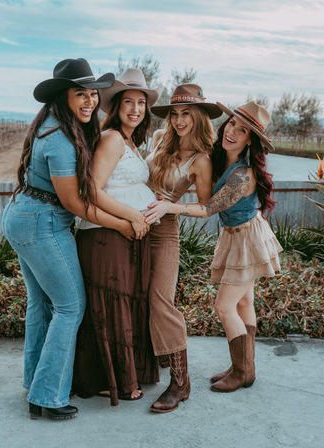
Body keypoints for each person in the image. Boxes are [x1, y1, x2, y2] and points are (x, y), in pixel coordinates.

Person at [0, 58, 136, 420]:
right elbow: (75, 203)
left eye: (93, 93)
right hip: (42, 224)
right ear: (64, 96)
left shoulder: (51, 123)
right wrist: (122, 223)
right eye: (81, 94)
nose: (90, 101)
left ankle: (36, 382)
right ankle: (47, 396)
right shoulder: (60, 139)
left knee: (41, 304)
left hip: (22, 216)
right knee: (70, 307)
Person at [145, 101, 283, 393]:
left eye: (242, 130)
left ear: (250, 140)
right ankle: (244, 366)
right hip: (237, 235)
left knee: (224, 306)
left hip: (247, 238)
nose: (232, 131)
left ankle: (243, 372)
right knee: (244, 303)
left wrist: (171, 206)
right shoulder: (222, 159)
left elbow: (208, 208)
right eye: (232, 123)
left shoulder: (243, 175)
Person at [72, 69, 161, 405]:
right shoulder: (110, 138)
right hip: (106, 237)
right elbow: (92, 191)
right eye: (129, 102)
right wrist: (132, 216)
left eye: (141, 103)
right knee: (110, 306)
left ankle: (125, 372)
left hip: (126, 236)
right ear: (116, 106)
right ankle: (105, 380)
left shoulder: (129, 142)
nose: (136, 109)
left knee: (124, 302)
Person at [146, 84, 222, 412]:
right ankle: (142, 368)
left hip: (163, 232)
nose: (179, 120)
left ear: (199, 116)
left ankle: (181, 383)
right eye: (175, 113)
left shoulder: (201, 160)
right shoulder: (159, 140)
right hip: (130, 225)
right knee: (134, 296)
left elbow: (207, 208)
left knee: (161, 302)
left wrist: (170, 207)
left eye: (186, 114)